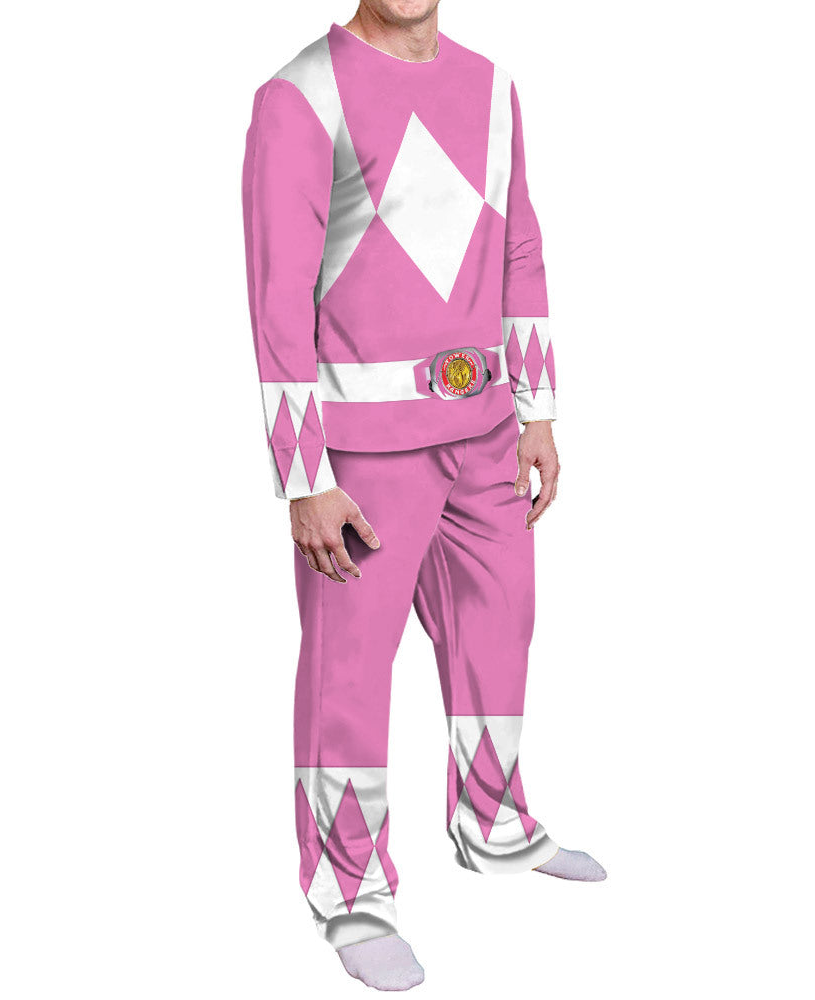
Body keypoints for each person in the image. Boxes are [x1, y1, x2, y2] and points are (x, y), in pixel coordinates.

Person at [241, 2, 606, 990]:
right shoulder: (298, 96)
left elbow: (519, 249)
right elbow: (277, 299)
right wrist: (303, 477)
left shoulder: (493, 86)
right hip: (362, 458)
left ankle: (494, 820)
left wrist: (537, 411)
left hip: (486, 434)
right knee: (349, 674)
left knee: (501, 629)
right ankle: (351, 892)